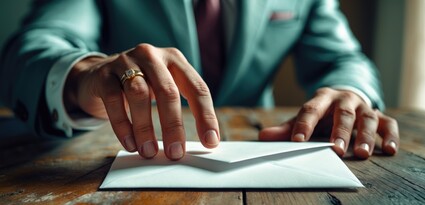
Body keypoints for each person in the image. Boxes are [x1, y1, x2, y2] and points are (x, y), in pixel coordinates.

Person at [0, 0, 399, 160]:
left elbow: (345, 58)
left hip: (258, 152)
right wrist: (83, 75)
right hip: (123, 154)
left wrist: (351, 91)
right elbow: (32, 47)